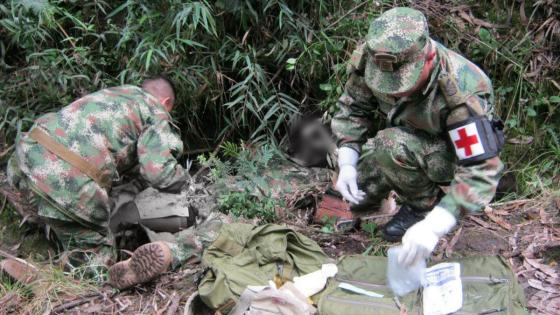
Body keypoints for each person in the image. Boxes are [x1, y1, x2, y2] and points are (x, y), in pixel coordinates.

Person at [4, 77, 217, 288]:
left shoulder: (116, 95)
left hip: (25, 158)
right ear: (167, 102)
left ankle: (48, 255)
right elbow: (160, 173)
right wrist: (190, 188)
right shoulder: (155, 111)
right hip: (65, 183)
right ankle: (45, 281)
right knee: (98, 263)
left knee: (69, 227)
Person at [332, 7, 504, 266]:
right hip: (405, 138)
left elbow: (481, 169)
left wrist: (435, 225)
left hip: (449, 155)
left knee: (390, 144)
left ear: (429, 56)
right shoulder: (375, 56)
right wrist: (346, 164)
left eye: (402, 80)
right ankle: (374, 193)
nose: (395, 91)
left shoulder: (462, 92)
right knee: (343, 198)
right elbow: (352, 109)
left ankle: (423, 206)